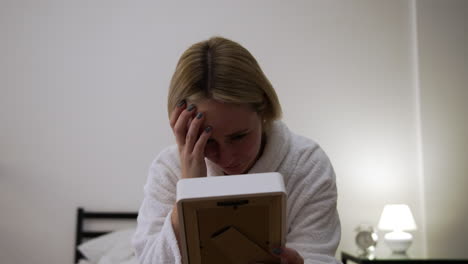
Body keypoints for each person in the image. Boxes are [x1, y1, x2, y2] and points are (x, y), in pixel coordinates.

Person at [132, 36, 341, 264]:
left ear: (263, 107)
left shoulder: (307, 164)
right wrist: (189, 192)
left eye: (239, 136)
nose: (228, 157)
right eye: (208, 141)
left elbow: (319, 256)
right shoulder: (169, 169)